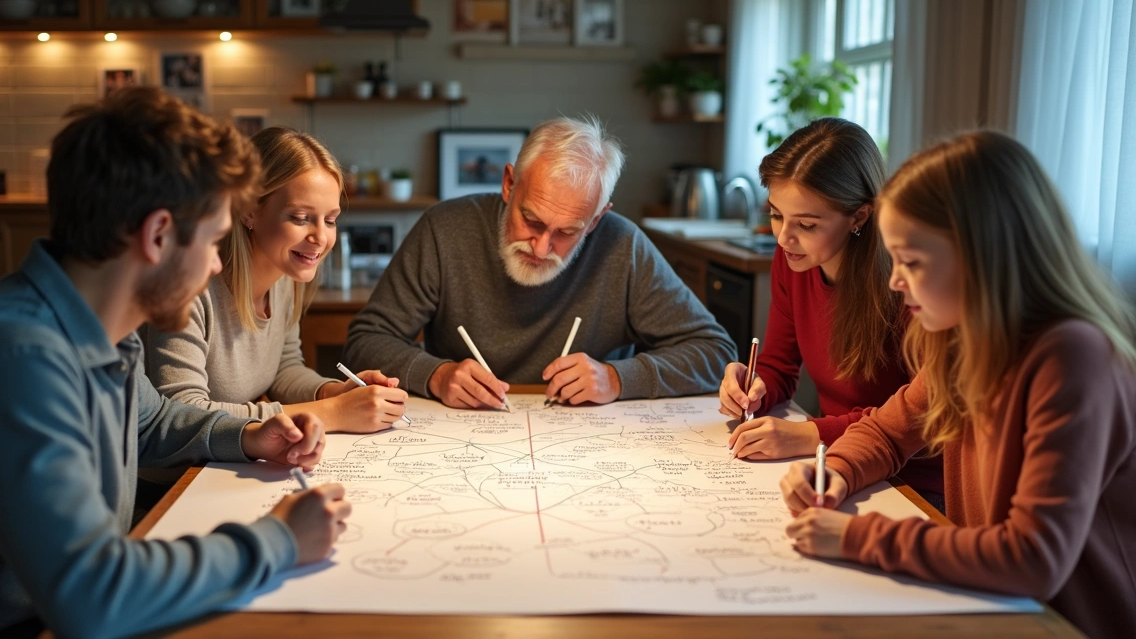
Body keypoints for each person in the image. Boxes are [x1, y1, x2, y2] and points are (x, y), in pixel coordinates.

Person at [0, 87, 352, 638]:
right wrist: (280, 541)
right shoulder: (20, 360)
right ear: (158, 235)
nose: (219, 263)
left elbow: (151, 423)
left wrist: (253, 434)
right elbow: (92, 595)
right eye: (216, 240)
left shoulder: (97, 326)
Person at [780, 131, 1136, 639]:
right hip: (994, 605)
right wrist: (834, 470)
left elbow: (1032, 558)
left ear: (983, 256)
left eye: (913, 262)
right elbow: (886, 432)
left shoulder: (1072, 357)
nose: (894, 281)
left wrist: (856, 536)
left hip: (1066, 623)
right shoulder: (964, 343)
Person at [345, 115, 736, 409]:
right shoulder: (444, 230)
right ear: (509, 184)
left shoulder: (622, 245)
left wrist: (617, 379)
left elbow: (716, 352)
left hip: (588, 449)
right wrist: (435, 375)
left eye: (568, 232)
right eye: (531, 220)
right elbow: (364, 343)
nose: (542, 245)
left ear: (596, 220)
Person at [718, 118, 942, 505]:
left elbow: (921, 416)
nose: (784, 237)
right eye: (775, 215)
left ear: (859, 217)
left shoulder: (907, 283)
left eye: (806, 224)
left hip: (913, 482)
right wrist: (754, 387)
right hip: (836, 463)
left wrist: (810, 433)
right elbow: (778, 366)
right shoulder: (791, 260)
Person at [143, 126, 407, 432]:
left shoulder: (285, 278)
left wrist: (337, 393)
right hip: (179, 478)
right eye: (300, 218)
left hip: (232, 463)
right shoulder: (189, 288)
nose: (320, 237)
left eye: (331, 220)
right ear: (249, 211)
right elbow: (182, 412)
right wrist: (331, 412)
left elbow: (285, 368)